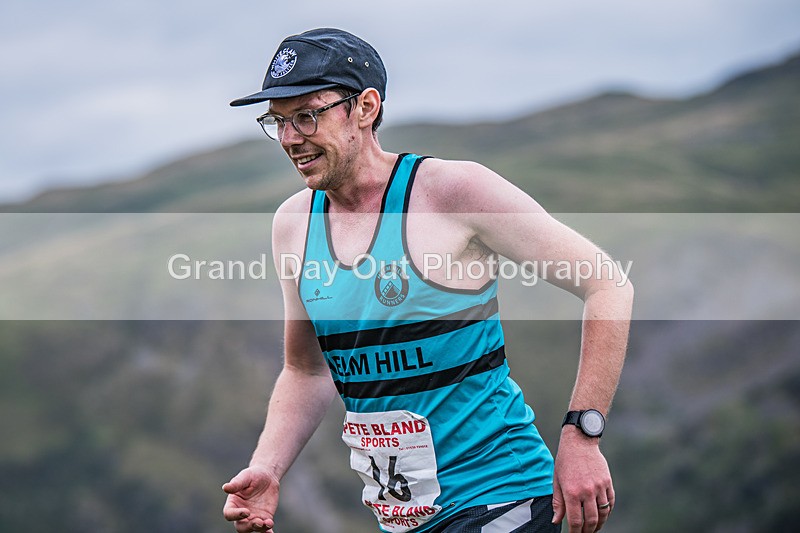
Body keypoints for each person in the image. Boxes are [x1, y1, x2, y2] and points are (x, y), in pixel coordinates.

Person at [223, 28, 633, 533]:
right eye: (277, 122)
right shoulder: (293, 225)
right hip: (406, 521)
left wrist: (582, 436)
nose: (289, 139)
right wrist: (268, 467)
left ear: (366, 107)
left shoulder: (452, 192)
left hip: (502, 500)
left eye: (306, 115)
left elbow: (607, 284)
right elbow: (308, 371)